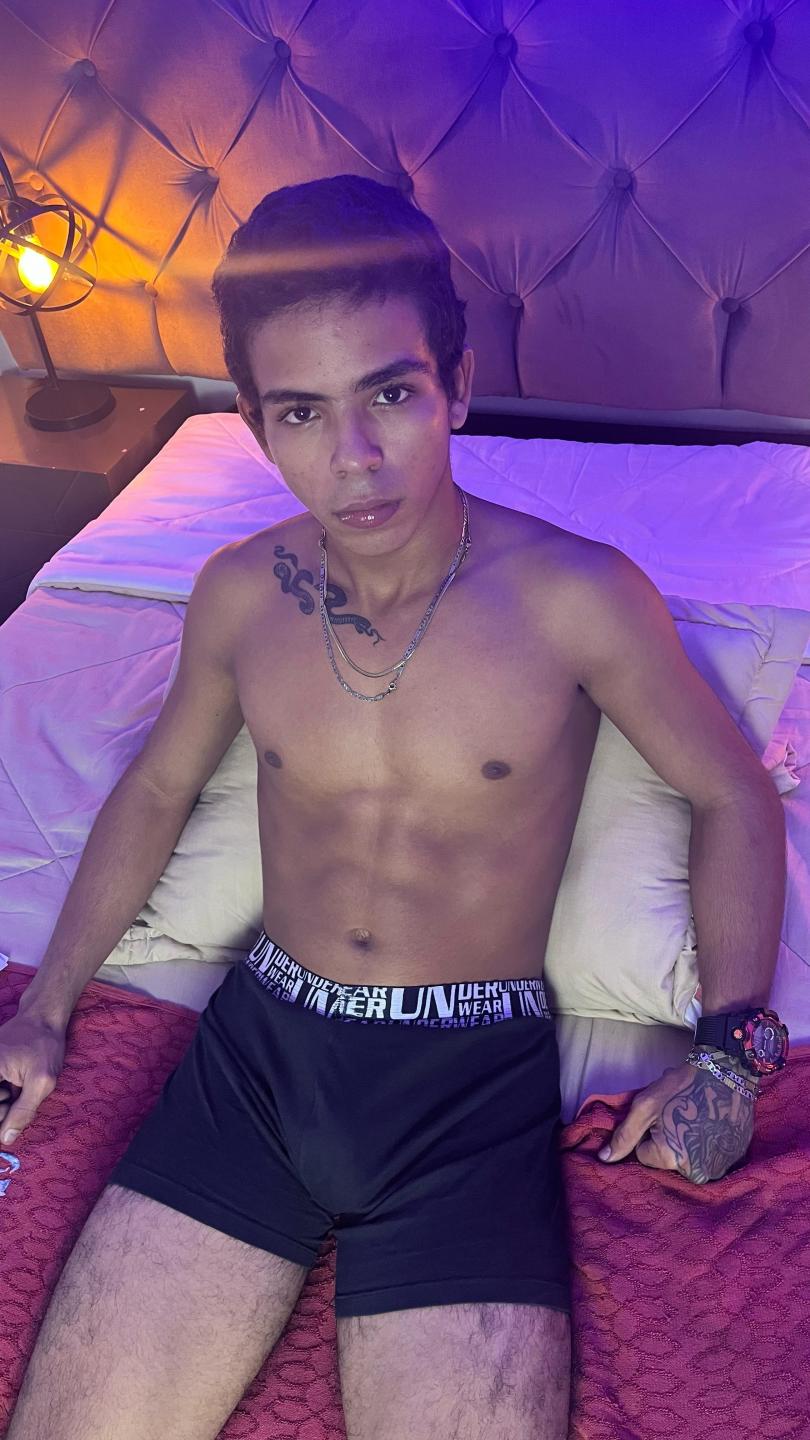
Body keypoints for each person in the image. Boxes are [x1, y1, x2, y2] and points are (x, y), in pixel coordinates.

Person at [1, 174, 786, 1440]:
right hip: (257, 1059)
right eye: (303, 412)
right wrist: (44, 1008)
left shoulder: (578, 598)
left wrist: (729, 1059)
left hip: (465, 1090)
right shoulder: (240, 594)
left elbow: (729, 790)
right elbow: (156, 784)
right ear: (256, 425)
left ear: (456, 385)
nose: (354, 459)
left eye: (391, 395)